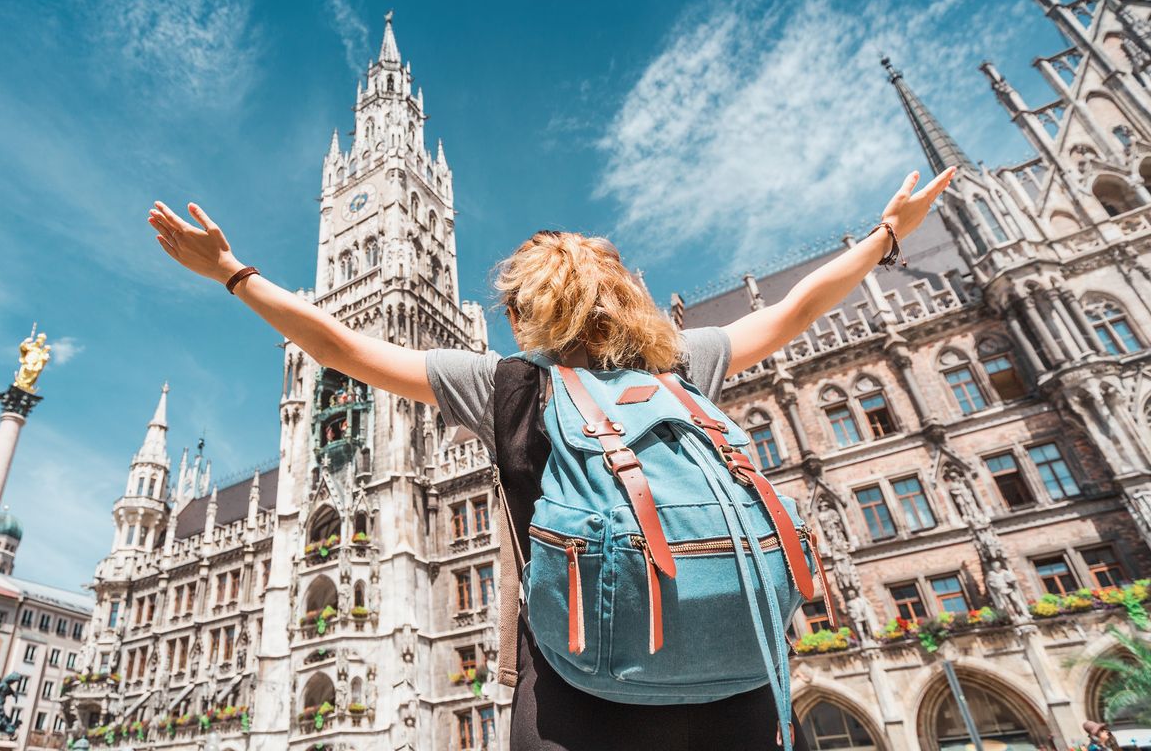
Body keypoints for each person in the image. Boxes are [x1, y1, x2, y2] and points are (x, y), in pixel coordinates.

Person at [148, 165, 954, 751]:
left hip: (579, 689)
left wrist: (230, 272)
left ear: (522, 312)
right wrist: (885, 236)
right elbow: (796, 309)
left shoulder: (503, 385)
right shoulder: (684, 365)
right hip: (733, 680)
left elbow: (343, 347)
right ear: (629, 298)